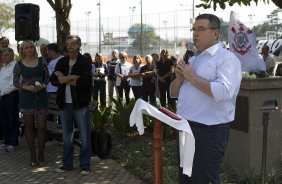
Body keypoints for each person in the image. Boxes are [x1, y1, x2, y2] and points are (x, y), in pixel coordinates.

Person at [170, 14, 242, 184]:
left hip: (209, 132)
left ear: (215, 33)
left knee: (204, 179)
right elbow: (173, 92)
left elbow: (224, 92)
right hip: (185, 129)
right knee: (186, 179)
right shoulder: (193, 59)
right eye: (193, 29)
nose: (195, 33)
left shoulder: (227, 59)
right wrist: (180, 77)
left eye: (200, 29)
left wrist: (192, 77)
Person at [50, 35, 92, 175]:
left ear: (79, 45)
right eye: (68, 43)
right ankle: (67, 165)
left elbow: (84, 83)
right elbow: (53, 80)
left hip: (80, 105)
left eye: (73, 43)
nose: (70, 46)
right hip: (64, 105)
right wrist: (71, 77)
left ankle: (85, 165)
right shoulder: (62, 61)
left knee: (85, 136)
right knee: (67, 136)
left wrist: (63, 78)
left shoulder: (85, 61)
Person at [13, 40, 49, 167]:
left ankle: (41, 153)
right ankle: (33, 154)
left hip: (41, 97)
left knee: (42, 127)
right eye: (26, 48)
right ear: (22, 50)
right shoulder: (18, 64)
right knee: (29, 127)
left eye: (31, 47)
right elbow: (16, 82)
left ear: (34, 48)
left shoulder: (42, 62)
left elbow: (47, 79)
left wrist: (41, 86)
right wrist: (26, 87)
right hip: (26, 97)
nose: (29, 49)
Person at [0, 47, 19, 152]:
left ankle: (13, 142)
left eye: (5, 55)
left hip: (11, 95)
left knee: (12, 119)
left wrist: (2, 93)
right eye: (2, 55)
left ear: (12, 55)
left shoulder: (16, 66)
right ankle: (6, 141)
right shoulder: (3, 68)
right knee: (3, 119)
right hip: (2, 96)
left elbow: (13, 83)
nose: (3, 57)